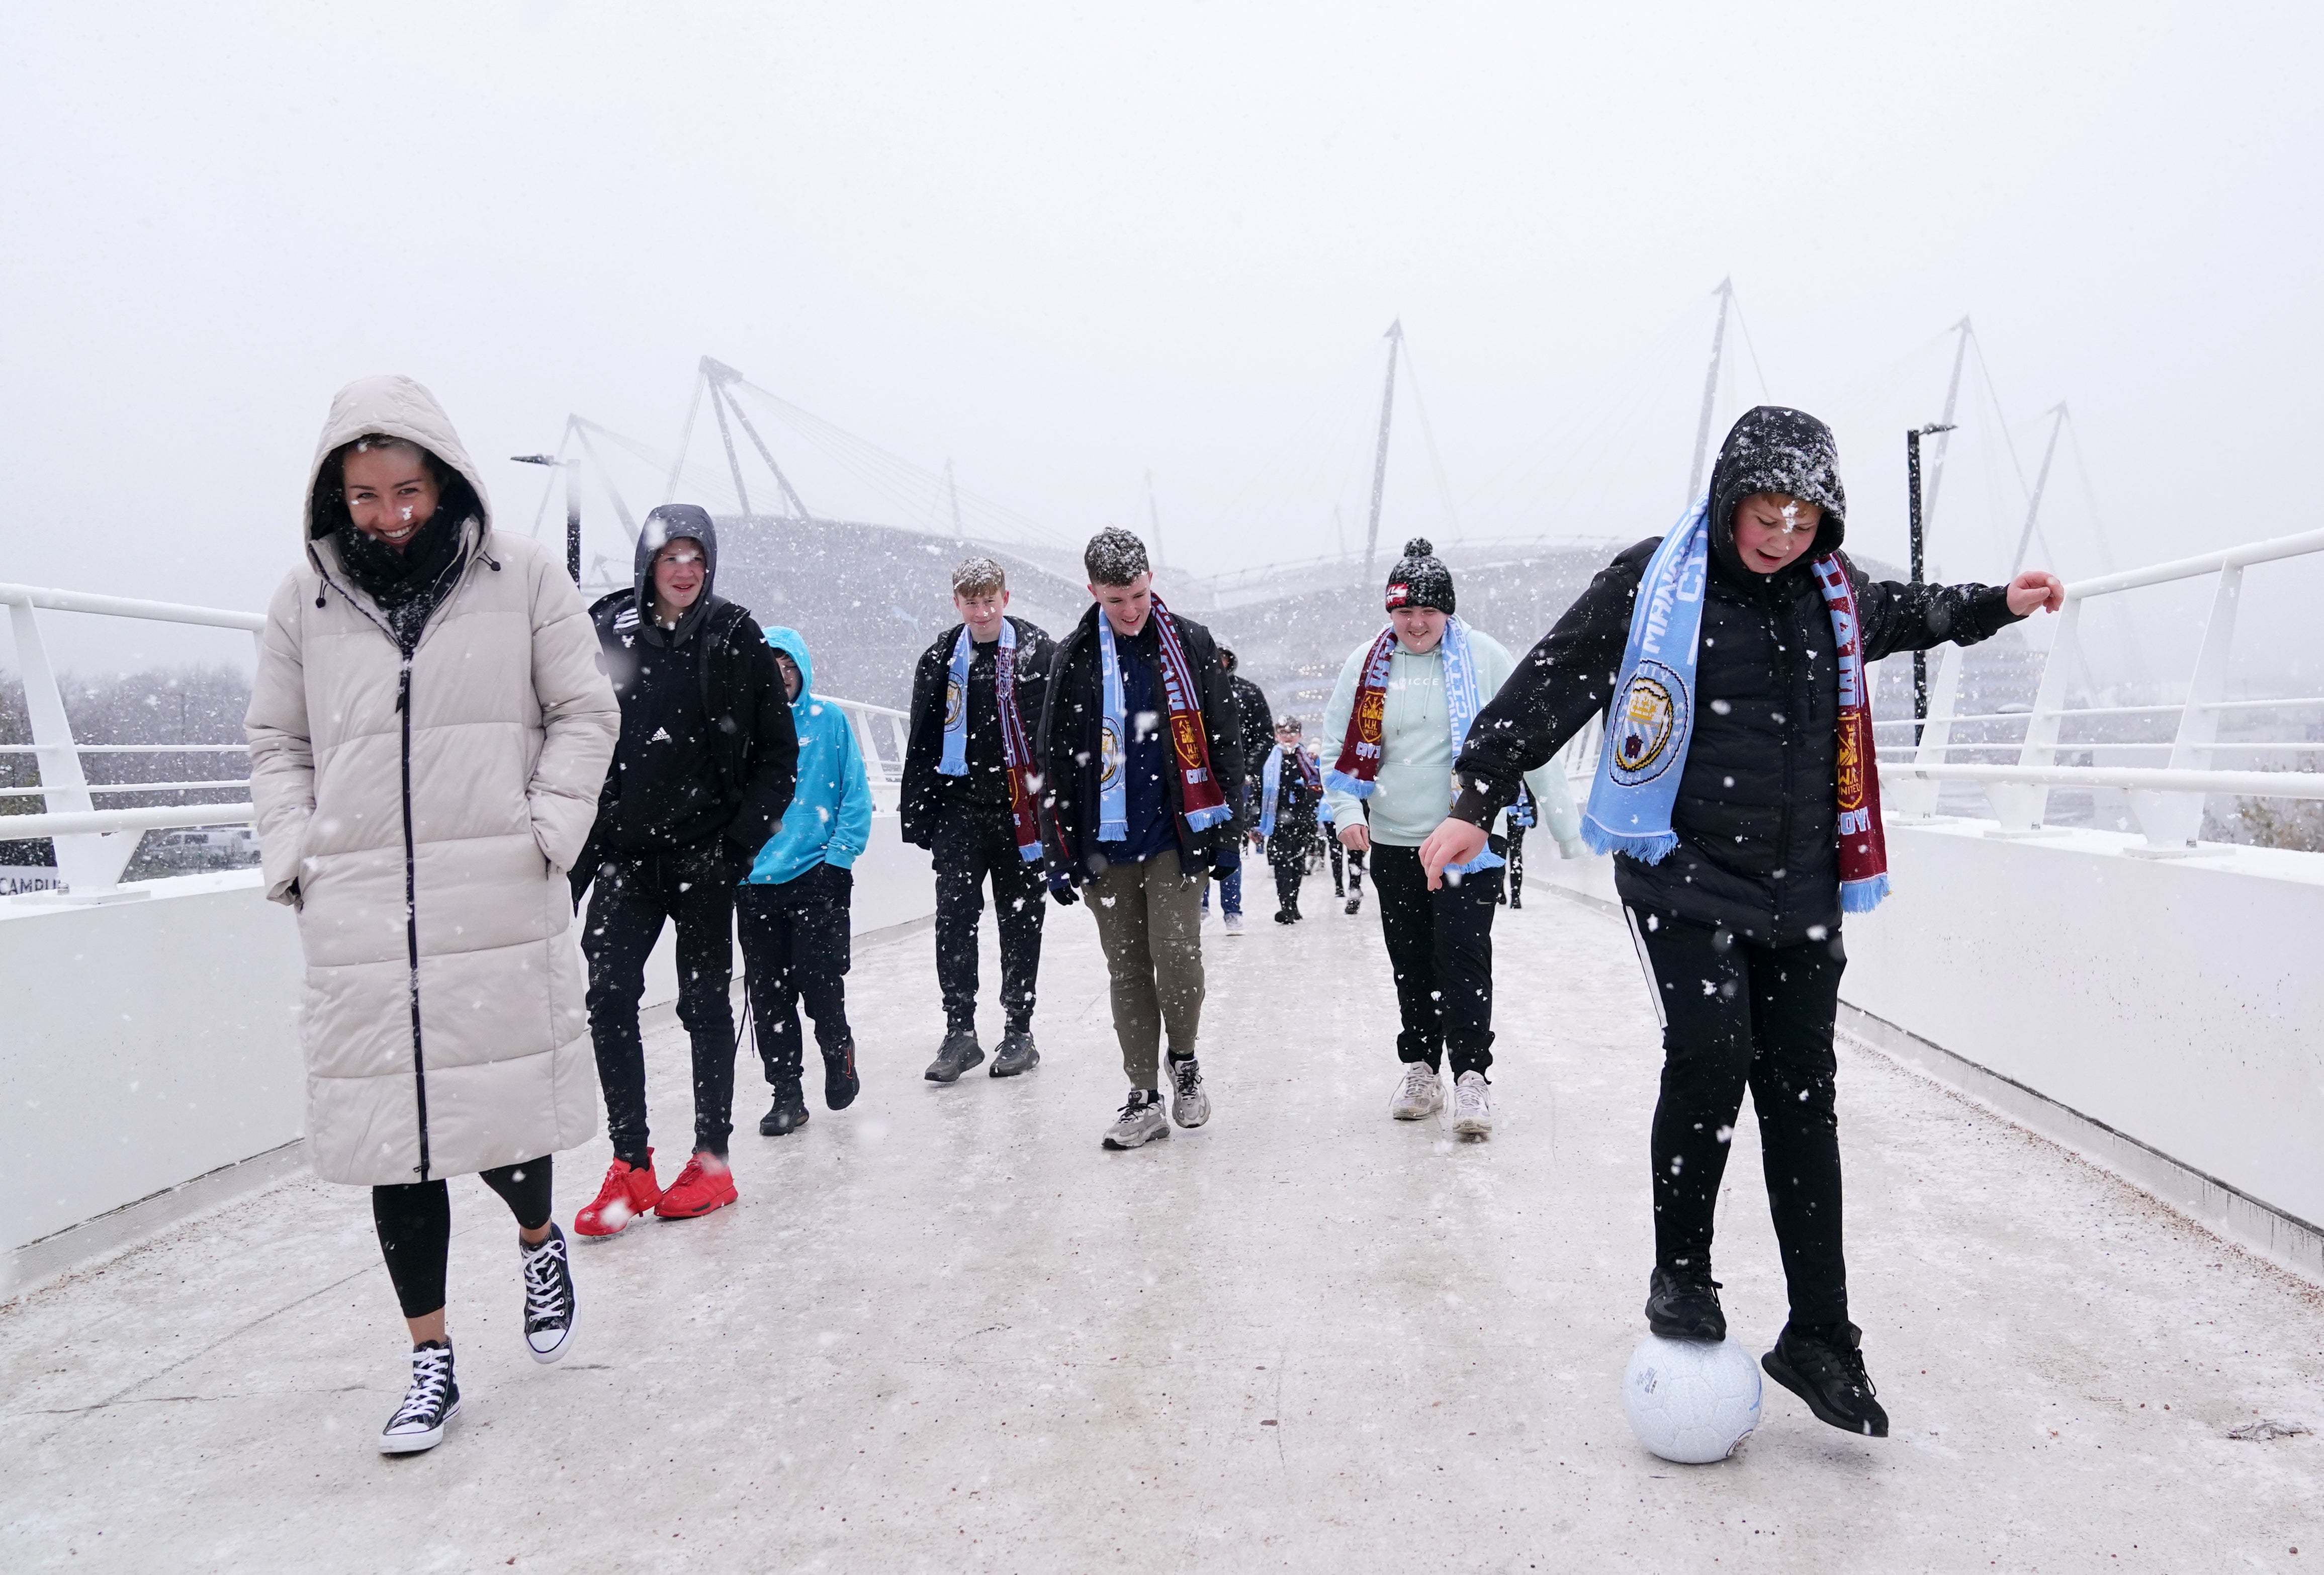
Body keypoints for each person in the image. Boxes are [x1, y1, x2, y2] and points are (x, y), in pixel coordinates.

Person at [1420, 405, 2068, 1438]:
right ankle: (1681, 1275)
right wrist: (1474, 801)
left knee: (1803, 1095)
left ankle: (1820, 1333)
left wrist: (1993, 604)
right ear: (1729, 498)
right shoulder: (1653, 580)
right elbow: (1554, 681)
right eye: (1764, 510)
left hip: (1803, 882)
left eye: (1804, 517)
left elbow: (1902, 613)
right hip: (1679, 867)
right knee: (1713, 1055)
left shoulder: (1831, 592)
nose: (1780, 533)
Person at [247, 375, 620, 1454]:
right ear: (333, 497)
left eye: (407, 489)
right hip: (361, 906)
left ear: (446, 479)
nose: (389, 516)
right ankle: (430, 1362)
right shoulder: (301, 605)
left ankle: (538, 1238)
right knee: (395, 1148)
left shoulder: (526, 582)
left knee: (503, 1113)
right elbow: (278, 741)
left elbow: (583, 711)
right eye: (363, 497)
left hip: (491, 891)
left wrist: (544, 829)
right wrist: (296, 848)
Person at [570, 507, 798, 1234]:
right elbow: (567, 734)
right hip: (624, 856)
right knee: (606, 997)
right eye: (670, 556)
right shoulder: (608, 630)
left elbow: (776, 754)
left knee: (703, 1006)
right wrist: (576, 858)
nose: (684, 569)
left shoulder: (735, 636)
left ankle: (711, 1162)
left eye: (696, 556)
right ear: (647, 564)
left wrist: (739, 845)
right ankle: (630, 1163)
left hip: (705, 855)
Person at [1321, 539, 1583, 1140]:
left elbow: (1529, 739)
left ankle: (1471, 1076)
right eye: (1403, 613)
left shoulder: (1484, 658)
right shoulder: (1365, 665)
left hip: (1468, 839)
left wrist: (1565, 828)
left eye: (1428, 613)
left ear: (1448, 612)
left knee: (1462, 958)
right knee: (1410, 960)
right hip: (1392, 842)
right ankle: (1420, 1068)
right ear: (1389, 613)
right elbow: (1336, 746)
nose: (1415, 625)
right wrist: (1343, 810)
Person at [1037, 528, 1244, 1149]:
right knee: (1126, 968)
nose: (1130, 611)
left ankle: (1182, 1061)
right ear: (1092, 591)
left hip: (1175, 833)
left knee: (1177, 955)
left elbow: (1223, 739)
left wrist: (1227, 828)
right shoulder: (1072, 656)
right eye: (1115, 600)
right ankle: (1142, 1095)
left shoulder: (1191, 644)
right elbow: (1054, 754)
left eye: (1137, 595)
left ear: (1150, 579)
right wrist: (1057, 848)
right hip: (1102, 839)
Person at [900, 557, 1056, 1083]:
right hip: (959, 809)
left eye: (990, 600)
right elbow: (923, 737)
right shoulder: (942, 658)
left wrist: (1059, 816)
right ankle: (959, 1031)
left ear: (1006, 599)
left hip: (1020, 813)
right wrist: (920, 815)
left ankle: (1019, 1029)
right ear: (957, 603)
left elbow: (1058, 737)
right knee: (953, 922)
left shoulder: (1038, 653)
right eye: (972, 602)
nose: (982, 611)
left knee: (1021, 920)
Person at [739, 627, 873, 1134]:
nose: (779, 679)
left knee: (819, 985)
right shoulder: (743, 731)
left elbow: (855, 797)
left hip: (817, 875)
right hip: (755, 883)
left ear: (801, 671)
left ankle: (838, 1053)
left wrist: (837, 862)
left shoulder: (829, 723)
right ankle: (786, 1093)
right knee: (768, 998)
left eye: (787, 668)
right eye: (768, 671)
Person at [1199, 646, 1274, 936]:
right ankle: (1200, 904)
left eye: (1223, 656)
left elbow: (1264, 736)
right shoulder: (1192, 689)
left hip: (1235, 782)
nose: (1218, 661)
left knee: (1229, 843)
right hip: (1200, 780)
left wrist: (1247, 771)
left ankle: (1232, 910)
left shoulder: (1248, 692)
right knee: (1196, 842)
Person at [1259, 715, 1322, 923]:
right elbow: (1259, 790)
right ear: (1277, 735)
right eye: (1283, 733)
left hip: (1302, 820)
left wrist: (1305, 795)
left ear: (1300, 735)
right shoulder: (1268, 759)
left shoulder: (1305, 759)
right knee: (1281, 864)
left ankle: (1293, 903)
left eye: (1292, 733)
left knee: (1297, 864)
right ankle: (1285, 906)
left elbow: (1317, 788)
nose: (1288, 737)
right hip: (1277, 820)